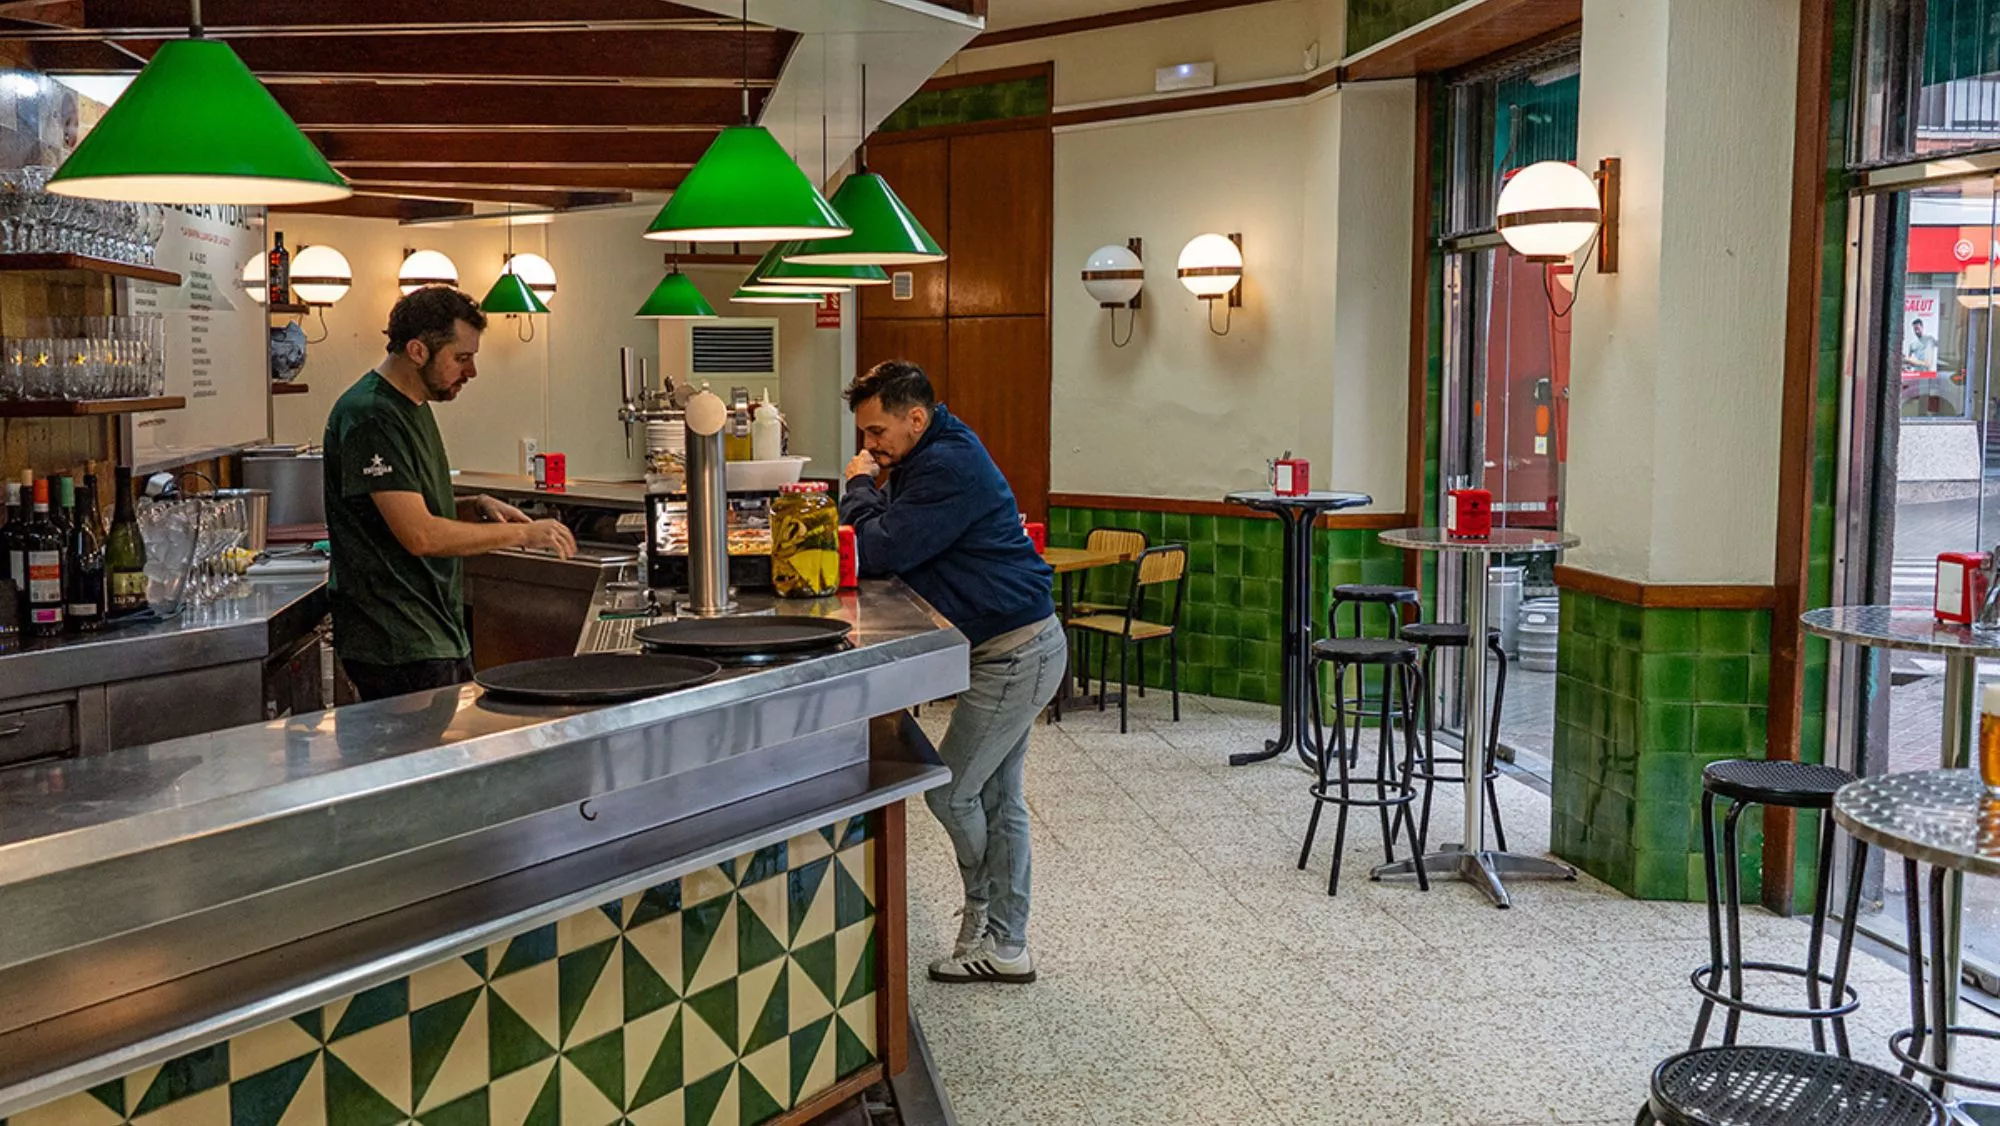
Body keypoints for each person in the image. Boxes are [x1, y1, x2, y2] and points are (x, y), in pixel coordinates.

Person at [840, 360, 1063, 985]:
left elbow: (878, 548)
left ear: (916, 417)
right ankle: (1004, 941)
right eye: (865, 434)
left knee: (951, 790)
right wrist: (873, 490)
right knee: (997, 796)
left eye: (877, 431)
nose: (870, 445)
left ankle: (990, 918)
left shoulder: (947, 465)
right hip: (1010, 647)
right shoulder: (925, 454)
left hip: (1017, 652)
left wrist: (857, 487)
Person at [324, 287, 576, 702]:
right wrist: (524, 535)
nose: (472, 371)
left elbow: (404, 508)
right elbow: (420, 534)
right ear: (417, 351)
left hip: (433, 628)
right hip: (398, 639)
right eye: (461, 358)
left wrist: (472, 507)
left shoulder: (413, 406)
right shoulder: (371, 415)